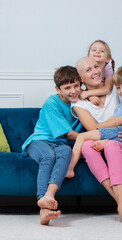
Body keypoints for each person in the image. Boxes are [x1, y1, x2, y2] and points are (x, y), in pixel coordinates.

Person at [67, 57, 122, 225]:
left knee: (111, 146)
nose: (95, 71)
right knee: (86, 145)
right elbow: (95, 128)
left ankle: (121, 206)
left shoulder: (115, 89)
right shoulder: (79, 104)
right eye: (88, 70)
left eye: (96, 66)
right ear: (80, 78)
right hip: (99, 142)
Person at [22, 66, 84, 225]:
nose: (73, 91)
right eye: (67, 88)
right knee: (48, 156)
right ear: (58, 89)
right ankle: (42, 199)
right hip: (38, 141)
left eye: (76, 86)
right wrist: (90, 138)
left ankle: (48, 199)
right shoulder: (52, 102)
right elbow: (69, 134)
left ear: (81, 84)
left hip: (59, 144)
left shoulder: (81, 102)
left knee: (65, 150)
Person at [67, 66, 122, 177]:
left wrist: (99, 126)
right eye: (118, 88)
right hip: (119, 133)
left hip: (119, 132)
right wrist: (89, 95)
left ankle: (70, 168)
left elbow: (121, 119)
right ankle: (106, 142)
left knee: (82, 137)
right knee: (88, 142)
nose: (121, 90)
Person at [79, 40, 115, 105]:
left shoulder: (108, 69)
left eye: (102, 51)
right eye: (94, 50)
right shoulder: (83, 67)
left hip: (103, 96)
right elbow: (76, 87)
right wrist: (90, 96)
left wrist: (88, 93)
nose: (97, 51)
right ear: (88, 56)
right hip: (90, 93)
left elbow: (107, 89)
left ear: (107, 59)